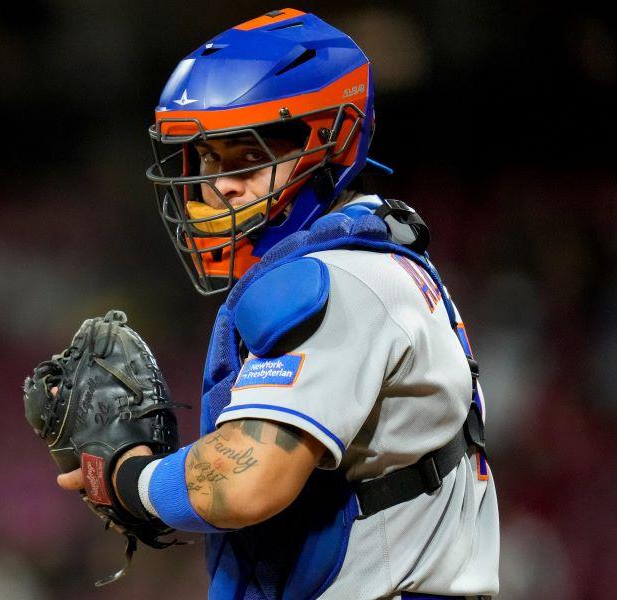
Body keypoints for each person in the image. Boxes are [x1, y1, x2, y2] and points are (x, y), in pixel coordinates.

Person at [56, 8, 499, 599]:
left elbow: (248, 485)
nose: (219, 185)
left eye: (248, 156)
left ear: (332, 142)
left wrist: (128, 475)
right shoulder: (373, 261)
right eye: (208, 159)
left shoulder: (336, 280)